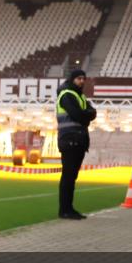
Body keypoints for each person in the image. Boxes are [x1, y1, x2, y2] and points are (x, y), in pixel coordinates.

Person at [55, 69, 96, 219]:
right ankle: (65, 210)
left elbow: (93, 112)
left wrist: (86, 116)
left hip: (79, 140)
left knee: (72, 177)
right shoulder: (66, 95)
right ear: (72, 79)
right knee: (68, 176)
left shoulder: (81, 97)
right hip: (69, 139)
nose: (82, 81)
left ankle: (68, 208)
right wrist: (86, 117)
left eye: (83, 78)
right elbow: (78, 114)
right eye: (79, 78)